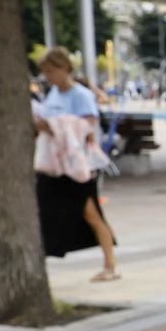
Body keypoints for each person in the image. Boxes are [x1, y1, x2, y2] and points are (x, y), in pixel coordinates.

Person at [33, 47, 118, 282]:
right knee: (46, 211)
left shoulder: (80, 95)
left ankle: (110, 264)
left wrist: (56, 126)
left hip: (76, 164)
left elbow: (87, 126)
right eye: (45, 72)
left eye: (51, 71)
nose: (48, 76)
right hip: (53, 163)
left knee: (90, 213)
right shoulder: (52, 95)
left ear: (64, 68)